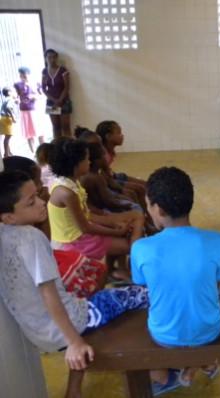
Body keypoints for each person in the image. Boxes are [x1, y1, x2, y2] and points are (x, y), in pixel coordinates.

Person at [0, 170, 148, 398]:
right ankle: (163, 369)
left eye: (39, 195)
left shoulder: (4, 234)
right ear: (8, 217)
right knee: (142, 294)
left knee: (86, 288)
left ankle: (73, 389)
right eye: (31, 202)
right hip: (70, 323)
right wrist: (74, 342)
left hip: (37, 331)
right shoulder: (31, 238)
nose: (42, 203)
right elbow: (49, 294)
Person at [131, 167, 220, 394]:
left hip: (163, 334)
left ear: (157, 208)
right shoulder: (219, 241)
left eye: (148, 205)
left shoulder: (141, 248)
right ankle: (202, 363)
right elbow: (214, 289)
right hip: (209, 331)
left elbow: (145, 285)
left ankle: (193, 366)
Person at [3, 155, 107, 298]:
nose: (43, 186)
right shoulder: (16, 238)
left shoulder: (28, 221)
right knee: (89, 281)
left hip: (51, 255)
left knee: (99, 270)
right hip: (46, 269)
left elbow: (47, 241)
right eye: (31, 200)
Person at [47, 138, 136, 280]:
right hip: (73, 242)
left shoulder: (71, 182)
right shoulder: (66, 193)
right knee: (128, 244)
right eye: (87, 159)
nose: (89, 162)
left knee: (124, 229)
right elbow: (85, 228)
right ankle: (115, 270)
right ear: (76, 163)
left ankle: (115, 270)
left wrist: (113, 224)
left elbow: (86, 215)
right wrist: (115, 230)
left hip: (79, 234)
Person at [41, 48, 72, 138]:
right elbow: (43, 88)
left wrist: (59, 100)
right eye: (49, 57)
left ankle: (68, 147)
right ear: (45, 58)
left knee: (65, 127)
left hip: (64, 101)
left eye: (54, 57)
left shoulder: (63, 70)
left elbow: (67, 87)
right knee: (56, 127)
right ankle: (57, 147)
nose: (52, 60)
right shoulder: (44, 71)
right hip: (52, 102)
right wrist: (54, 100)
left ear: (57, 58)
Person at [14, 66, 45, 152]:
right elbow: (16, 96)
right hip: (25, 111)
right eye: (21, 75)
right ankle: (33, 153)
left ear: (29, 74)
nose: (22, 77)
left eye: (24, 75)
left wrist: (35, 96)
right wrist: (16, 100)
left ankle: (44, 152)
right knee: (29, 134)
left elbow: (41, 94)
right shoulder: (17, 84)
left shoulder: (36, 83)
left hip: (35, 110)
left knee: (40, 132)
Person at [1, 87, 19, 158]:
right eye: (12, 91)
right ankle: (6, 154)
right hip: (7, 119)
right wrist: (13, 117)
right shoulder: (10, 99)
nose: (13, 93)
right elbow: (9, 107)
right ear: (9, 93)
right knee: (8, 137)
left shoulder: (6, 99)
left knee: (7, 136)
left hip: (3, 118)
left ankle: (9, 152)